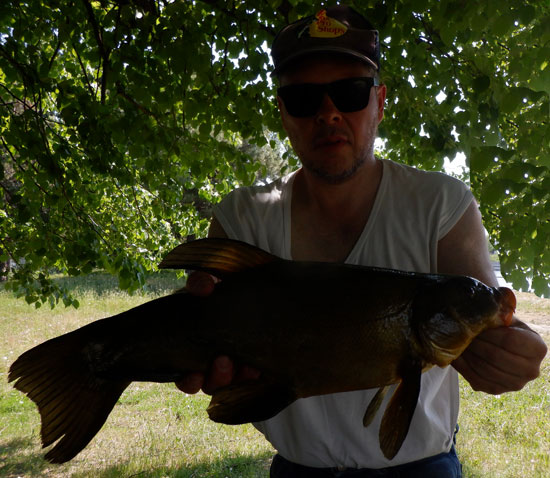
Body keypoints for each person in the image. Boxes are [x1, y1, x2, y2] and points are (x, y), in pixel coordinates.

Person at [176, 6, 547, 477]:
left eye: (350, 93)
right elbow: (212, 353)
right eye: (304, 98)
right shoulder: (239, 217)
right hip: (297, 469)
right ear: (282, 111)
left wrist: (510, 355)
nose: (328, 112)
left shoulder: (441, 203)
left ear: (380, 102)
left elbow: (494, 326)